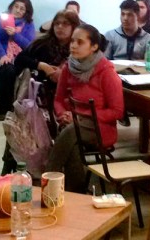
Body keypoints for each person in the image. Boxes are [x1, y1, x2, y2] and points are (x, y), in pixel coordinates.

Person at [1, 9, 80, 174]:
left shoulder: (79, 46)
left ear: (74, 27)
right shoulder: (43, 43)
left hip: (69, 97)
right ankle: (11, 166)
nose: (60, 27)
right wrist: (41, 65)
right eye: (57, 24)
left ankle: (59, 167)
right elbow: (20, 59)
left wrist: (63, 74)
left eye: (65, 24)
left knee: (68, 124)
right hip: (41, 97)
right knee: (22, 124)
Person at [46, 24, 123, 193]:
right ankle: (76, 192)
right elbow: (58, 99)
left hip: (100, 128)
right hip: (73, 125)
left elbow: (117, 111)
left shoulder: (106, 72)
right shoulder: (69, 67)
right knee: (72, 140)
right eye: (72, 41)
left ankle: (47, 180)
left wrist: (80, 116)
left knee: (70, 131)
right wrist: (62, 114)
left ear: (94, 46)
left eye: (80, 42)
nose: (73, 45)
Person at [0, 0, 36, 120]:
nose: (18, 10)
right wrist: (3, 55)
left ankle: (15, 106)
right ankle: (4, 109)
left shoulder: (28, 24)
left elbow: (29, 46)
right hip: (1, 56)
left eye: (22, 9)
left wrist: (15, 35)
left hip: (20, 58)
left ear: (26, 12)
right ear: (11, 7)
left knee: (13, 70)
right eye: (16, 6)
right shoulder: (0, 20)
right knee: (7, 70)